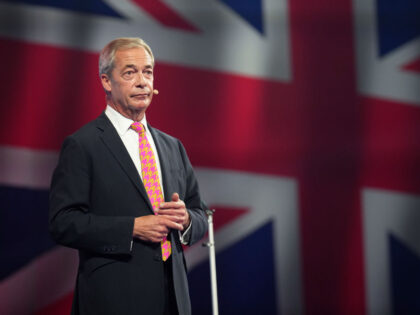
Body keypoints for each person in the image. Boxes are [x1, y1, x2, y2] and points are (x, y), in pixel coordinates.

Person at [49, 37, 208, 315]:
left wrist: (185, 220)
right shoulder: (83, 145)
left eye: (147, 72)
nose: (142, 81)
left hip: (173, 299)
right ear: (106, 81)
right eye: (130, 72)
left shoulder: (173, 146)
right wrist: (132, 228)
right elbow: (63, 222)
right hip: (114, 298)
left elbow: (199, 213)